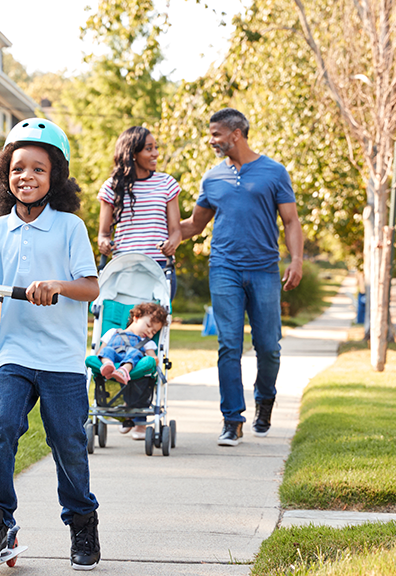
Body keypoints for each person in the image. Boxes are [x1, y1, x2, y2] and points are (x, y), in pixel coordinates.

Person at [0, 118, 101, 570]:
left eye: (37, 169)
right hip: (12, 352)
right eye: (17, 168)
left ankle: (82, 524)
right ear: (5, 174)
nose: (26, 177)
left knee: (67, 441)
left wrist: (58, 284)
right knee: (0, 429)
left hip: (62, 357)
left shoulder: (70, 227)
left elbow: (90, 287)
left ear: (54, 177)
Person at [179, 108, 304, 447]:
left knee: (268, 347)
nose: (211, 140)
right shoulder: (212, 178)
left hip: (264, 268)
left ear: (236, 133)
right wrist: (166, 234)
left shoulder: (273, 172)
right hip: (224, 268)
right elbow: (195, 224)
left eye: (216, 133)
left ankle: (265, 400)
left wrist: (296, 260)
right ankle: (231, 420)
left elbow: (291, 221)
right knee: (228, 345)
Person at [97, 126, 181, 298]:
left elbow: (176, 231)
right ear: (132, 154)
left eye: (156, 148)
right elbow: (103, 234)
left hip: (158, 268)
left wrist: (172, 243)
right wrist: (104, 242)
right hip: (122, 269)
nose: (156, 153)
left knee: (153, 324)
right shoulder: (111, 187)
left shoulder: (167, 184)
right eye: (149, 149)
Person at [96, 301, 168, 441]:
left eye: (154, 332)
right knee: (107, 351)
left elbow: (153, 358)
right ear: (136, 317)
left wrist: (153, 359)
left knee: (134, 353)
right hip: (113, 359)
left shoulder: (147, 342)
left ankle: (124, 370)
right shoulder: (113, 332)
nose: (149, 332)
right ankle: (108, 366)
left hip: (133, 367)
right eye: (148, 326)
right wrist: (105, 359)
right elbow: (101, 351)